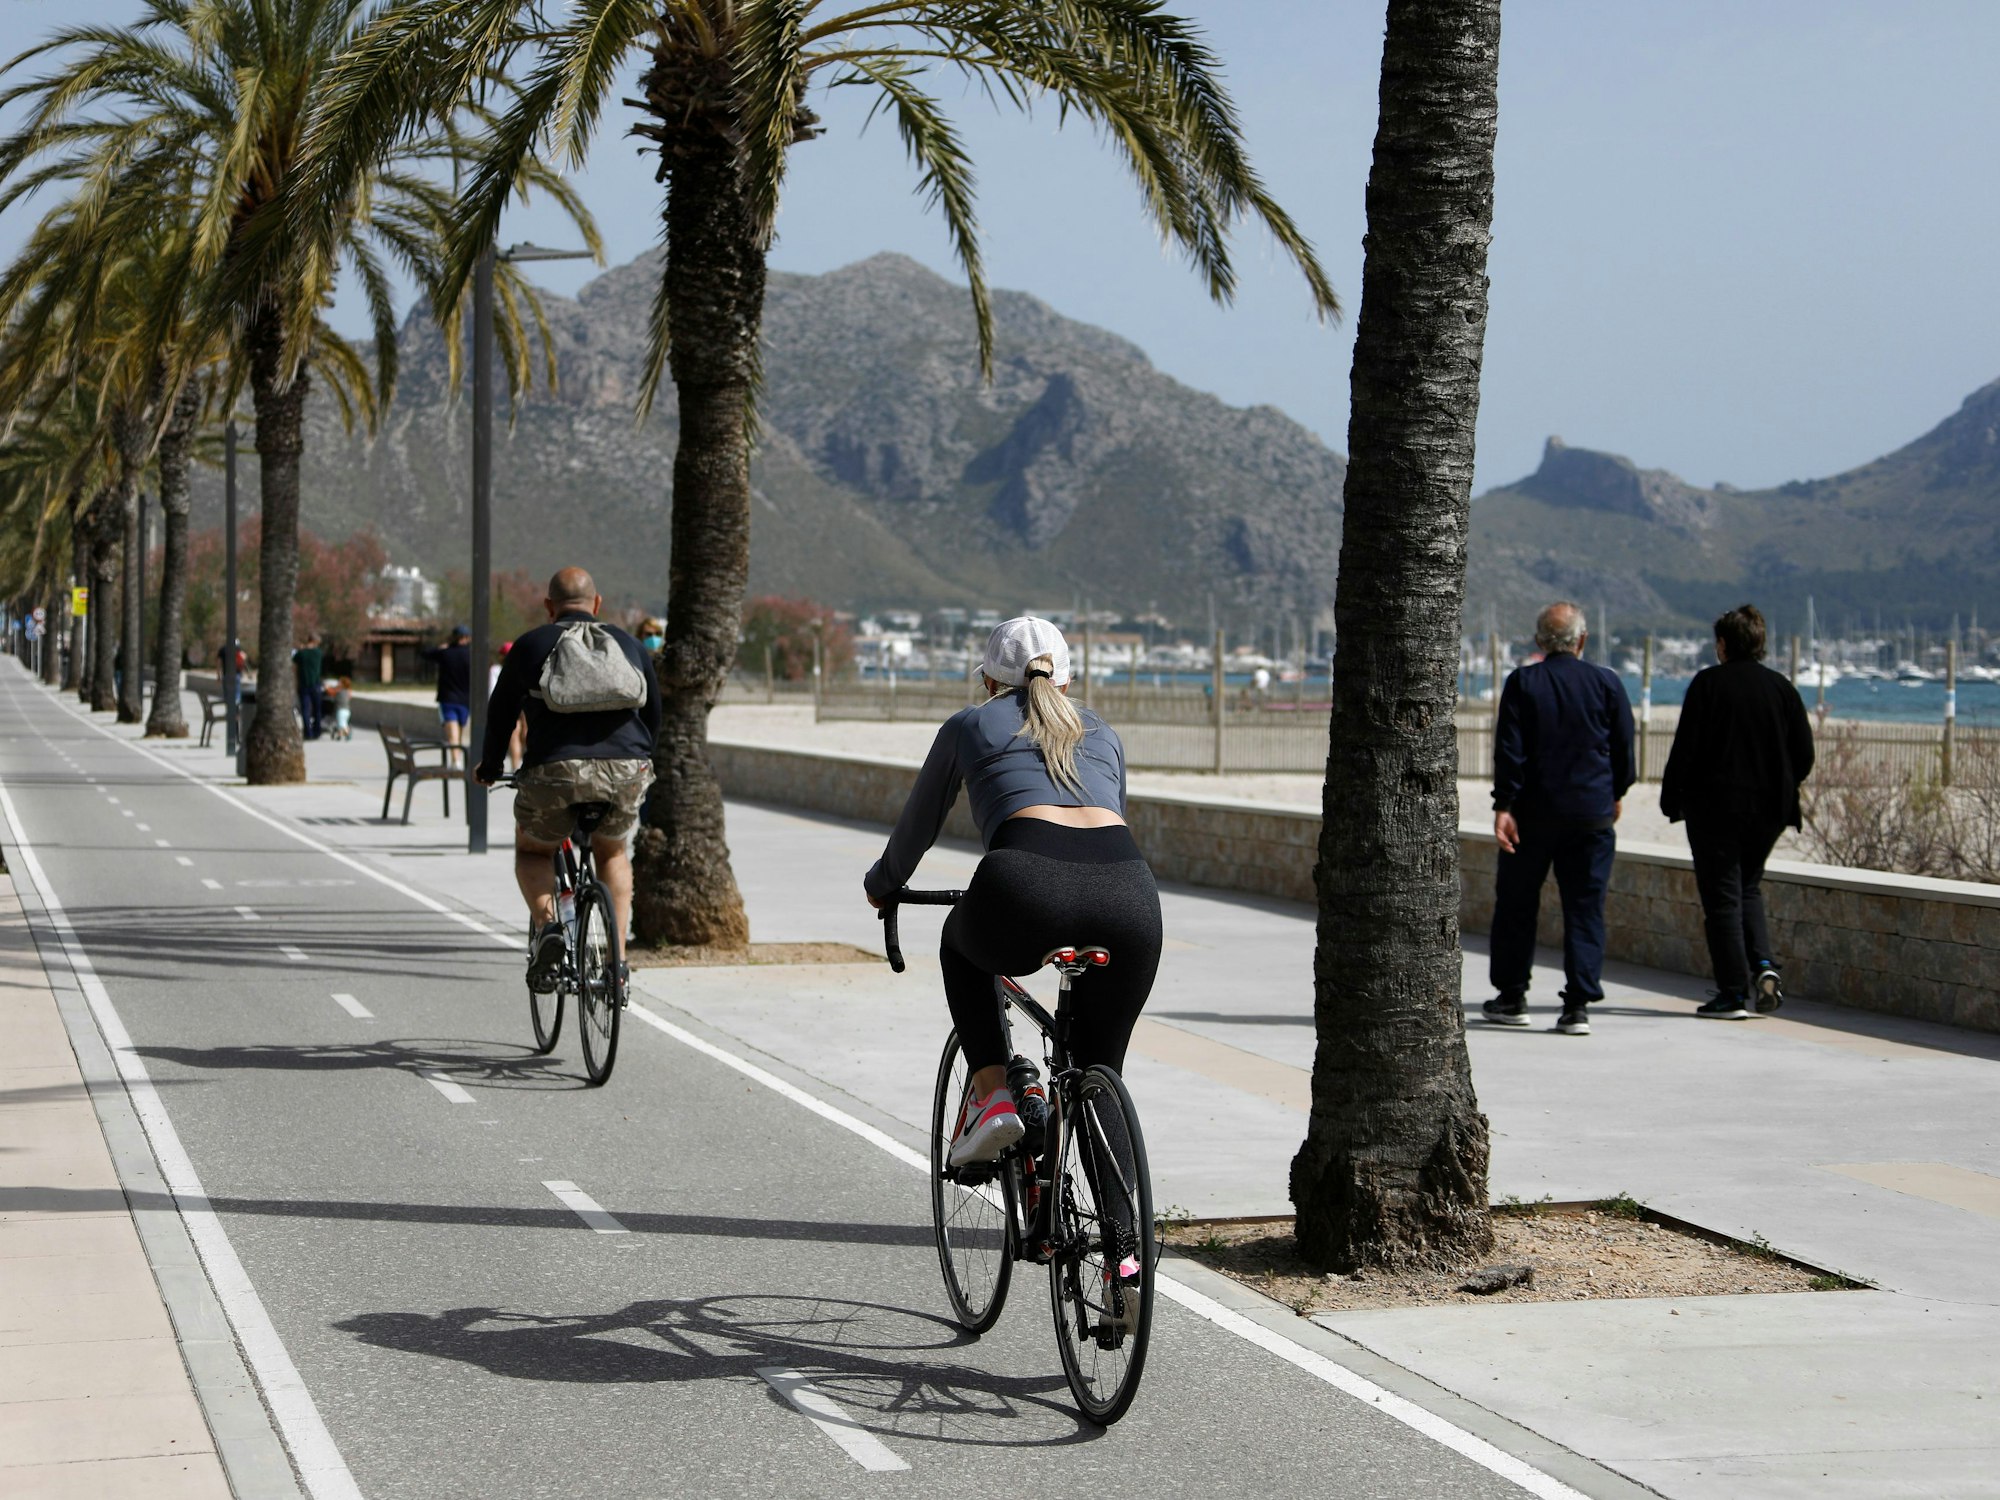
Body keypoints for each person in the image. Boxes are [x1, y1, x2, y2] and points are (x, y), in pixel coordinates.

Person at [863, 616, 1161, 1158]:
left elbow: (917, 827)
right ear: (1066, 682)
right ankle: (1125, 1244)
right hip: (1131, 894)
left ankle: (992, 1096)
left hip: (1025, 881)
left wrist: (884, 884)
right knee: (1098, 1078)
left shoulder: (969, 725)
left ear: (990, 683)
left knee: (960, 945)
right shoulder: (1105, 734)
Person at [475, 568, 659, 989]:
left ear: (548, 607)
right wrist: (641, 763)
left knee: (534, 852)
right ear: (598, 604)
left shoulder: (531, 644)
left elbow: (501, 714)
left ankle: (548, 928)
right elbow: (654, 716)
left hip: (554, 771)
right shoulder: (629, 645)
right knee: (611, 853)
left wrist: (489, 767)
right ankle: (617, 962)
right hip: (625, 770)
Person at [1484, 602, 1635, 1037]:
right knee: (1585, 909)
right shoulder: (1607, 682)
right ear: (1582, 639)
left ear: (1539, 642)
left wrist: (1504, 805)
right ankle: (1578, 1006)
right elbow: (1624, 747)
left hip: (1532, 815)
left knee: (1516, 905)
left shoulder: (1523, 682)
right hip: (1591, 816)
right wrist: (1616, 794)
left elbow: (1509, 752)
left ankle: (1512, 996)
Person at [1661, 604, 1815, 1020]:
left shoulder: (1708, 684)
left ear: (1723, 644)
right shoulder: (1782, 688)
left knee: (1722, 899)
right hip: (1769, 811)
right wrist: (1780, 785)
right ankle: (1763, 966)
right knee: (1748, 887)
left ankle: (1731, 993)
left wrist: (1671, 798)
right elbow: (1803, 754)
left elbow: (1686, 748)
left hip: (1715, 810)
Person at [422, 625, 473, 766]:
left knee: (452, 733)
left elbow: (425, 653)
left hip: (448, 699)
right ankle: (458, 758)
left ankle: (456, 760)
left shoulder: (446, 653)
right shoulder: (471, 655)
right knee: (460, 731)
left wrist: (441, 648)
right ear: (468, 638)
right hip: (466, 699)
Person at [292, 634, 324, 741]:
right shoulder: (318, 653)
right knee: (317, 709)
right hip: (316, 684)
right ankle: (317, 731)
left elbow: (295, 668)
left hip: (303, 684)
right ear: (315, 641)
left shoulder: (300, 654)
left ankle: (308, 732)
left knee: (305, 709)